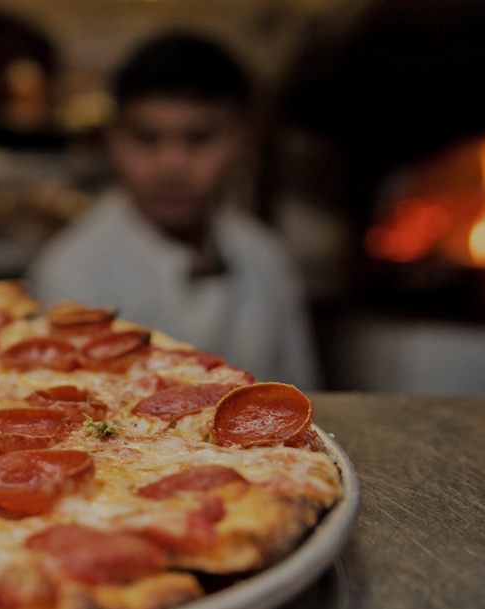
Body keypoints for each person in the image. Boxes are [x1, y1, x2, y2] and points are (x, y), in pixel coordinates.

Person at [29, 32, 320, 388]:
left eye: (199, 138)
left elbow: (304, 396)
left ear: (243, 139)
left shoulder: (265, 255)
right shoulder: (71, 273)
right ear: (112, 139)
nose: (172, 164)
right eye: (146, 138)